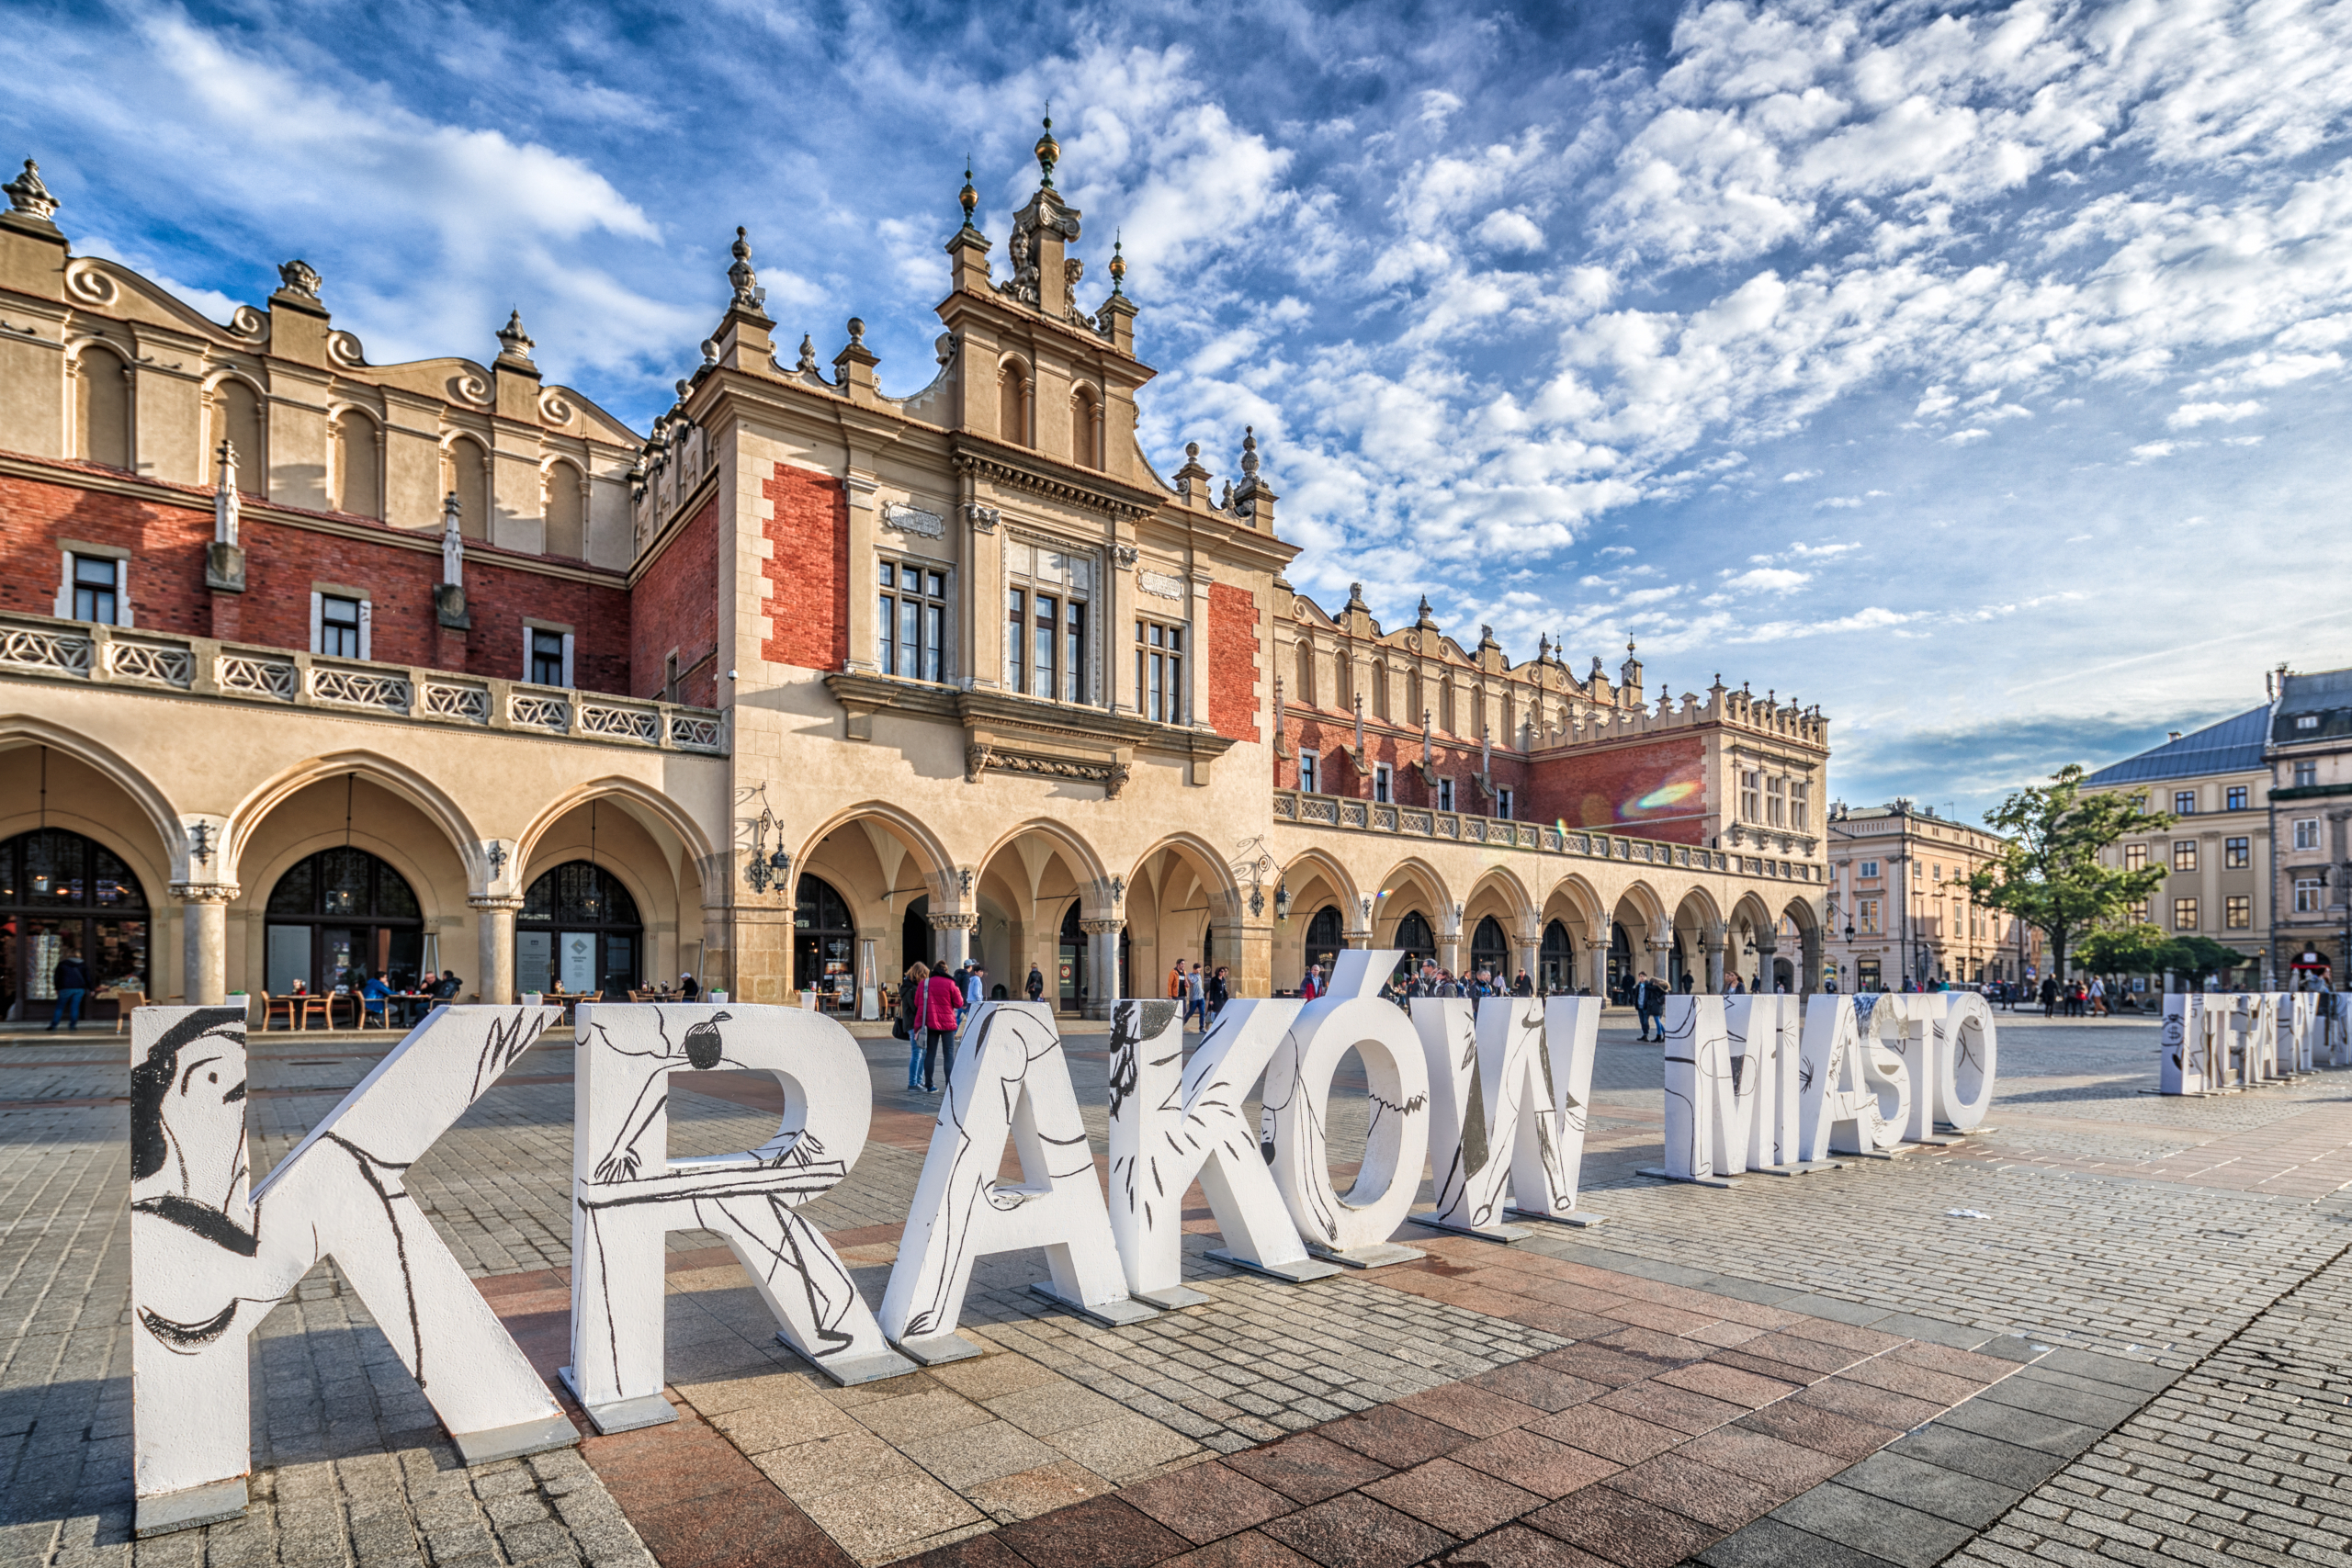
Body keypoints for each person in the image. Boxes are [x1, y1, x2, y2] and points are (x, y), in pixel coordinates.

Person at [918, 962, 964, 1091]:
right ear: (946, 971)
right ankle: (949, 1084)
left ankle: (929, 1085)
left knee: (930, 1053)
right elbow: (959, 1003)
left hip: (931, 1022)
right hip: (948, 1023)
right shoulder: (950, 983)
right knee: (948, 1054)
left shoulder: (924, 983)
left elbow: (917, 1002)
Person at [898, 962, 929, 1089]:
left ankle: (917, 1081)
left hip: (913, 1023)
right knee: (918, 1053)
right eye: (924, 976)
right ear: (919, 975)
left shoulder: (908, 987)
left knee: (922, 1052)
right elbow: (916, 1007)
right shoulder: (912, 989)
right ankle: (913, 1082)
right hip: (914, 1024)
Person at [49, 951, 89, 1031]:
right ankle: (72, 1026)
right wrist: (91, 988)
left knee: (60, 1007)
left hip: (65, 988)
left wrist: (57, 988)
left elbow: (57, 977)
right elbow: (87, 977)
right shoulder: (83, 965)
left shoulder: (62, 964)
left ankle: (54, 1025)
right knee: (75, 1007)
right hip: (79, 988)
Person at [1632, 972, 1663, 1042]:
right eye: (1640, 976)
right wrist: (1635, 1003)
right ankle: (1644, 1034)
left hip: (1646, 1006)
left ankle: (1646, 1034)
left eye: (1643, 976)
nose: (1641, 978)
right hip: (1639, 1005)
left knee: (1646, 1021)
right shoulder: (1638, 986)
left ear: (1646, 977)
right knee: (1642, 1021)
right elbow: (1636, 995)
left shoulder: (1649, 986)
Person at [1184, 962, 1207, 1032]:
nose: (1199, 972)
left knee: (1202, 1012)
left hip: (1201, 997)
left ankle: (1202, 1027)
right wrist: (1197, 976)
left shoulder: (1199, 975)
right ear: (1194, 969)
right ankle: (1182, 1024)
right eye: (1198, 970)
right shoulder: (1190, 975)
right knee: (1191, 1012)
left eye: (1200, 970)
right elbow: (1192, 982)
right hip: (1193, 998)